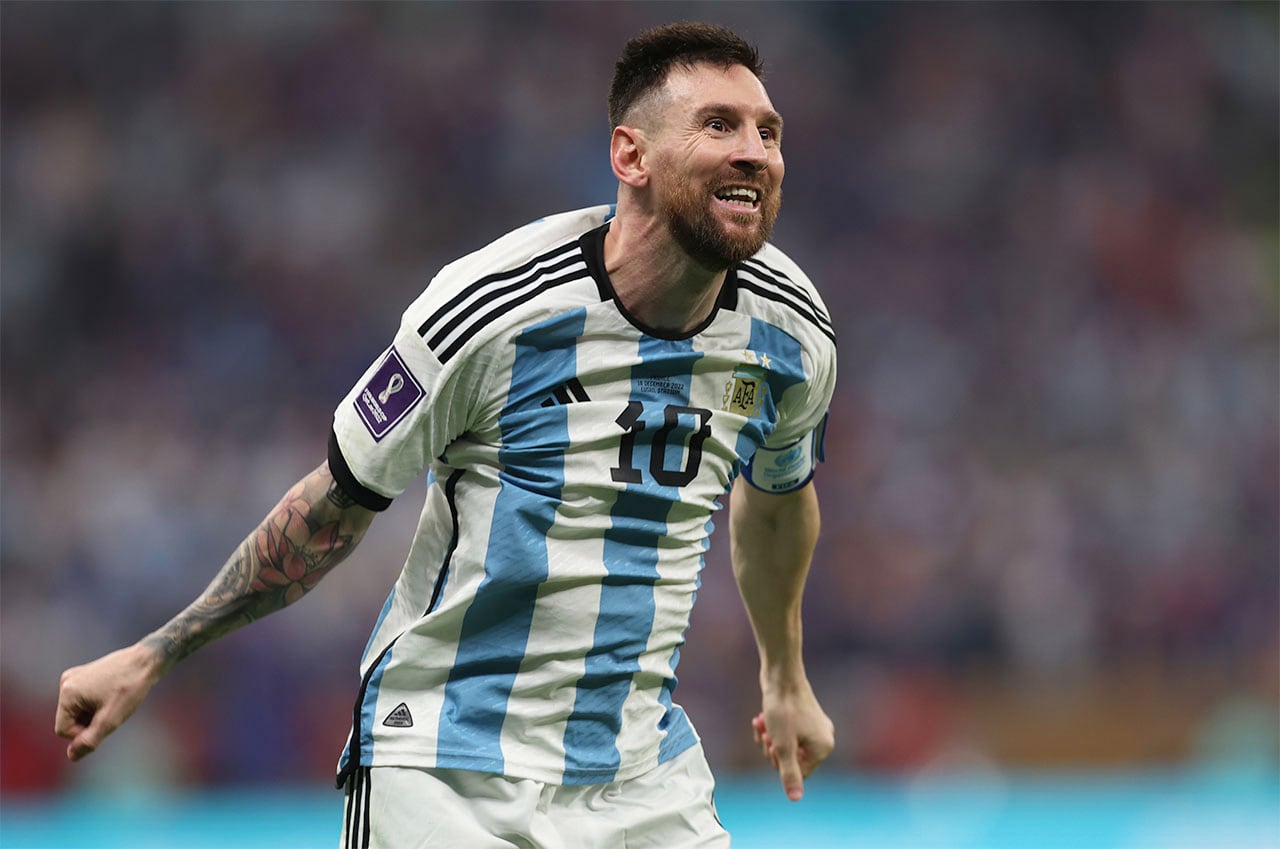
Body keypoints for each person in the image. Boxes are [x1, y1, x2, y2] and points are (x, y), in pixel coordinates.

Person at [55, 21, 837, 848]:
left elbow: (779, 498)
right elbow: (332, 508)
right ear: (630, 156)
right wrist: (154, 653)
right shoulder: (490, 308)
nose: (756, 151)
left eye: (768, 131)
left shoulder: (792, 331)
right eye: (719, 124)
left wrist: (784, 677)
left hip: (638, 776)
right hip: (443, 765)